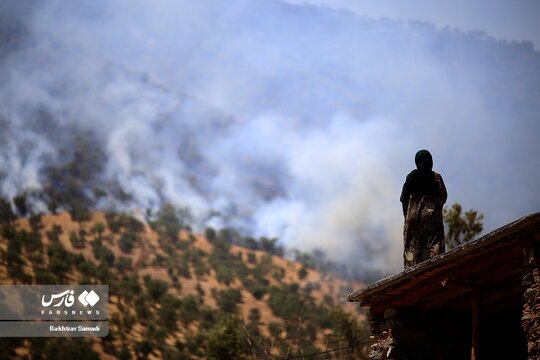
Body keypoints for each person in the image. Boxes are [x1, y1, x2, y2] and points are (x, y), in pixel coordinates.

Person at [400, 149, 447, 268]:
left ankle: (412, 277)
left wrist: (408, 215)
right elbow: (443, 196)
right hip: (432, 219)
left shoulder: (411, 177)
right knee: (435, 247)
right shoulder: (436, 178)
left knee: (412, 250)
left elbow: (403, 199)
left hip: (413, 220)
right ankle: (436, 271)